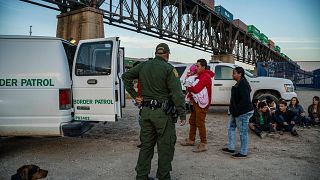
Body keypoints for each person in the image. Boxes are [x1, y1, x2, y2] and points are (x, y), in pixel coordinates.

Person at [122, 43, 187, 180]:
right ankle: (163, 176)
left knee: (146, 146)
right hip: (162, 115)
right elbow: (177, 94)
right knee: (165, 147)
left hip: (145, 112)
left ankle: (141, 176)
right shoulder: (169, 68)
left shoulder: (144, 65)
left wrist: (135, 95)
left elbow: (126, 76)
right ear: (167, 55)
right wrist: (182, 113)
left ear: (156, 53)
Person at [180, 59, 215, 153]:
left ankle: (203, 143)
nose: (196, 68)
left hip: (202, 104)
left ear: (203, 67)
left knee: (200, 122)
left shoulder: (205, 76)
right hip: (197, 102)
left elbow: (196, 89)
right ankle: (191, 140)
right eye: (196, 66)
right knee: (193, 121)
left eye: (198, 66)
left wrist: (188, 86)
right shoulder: (200, 75)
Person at [222, 66, 254, 159]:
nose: (232, 75)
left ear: (240, 74)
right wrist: (232, 111)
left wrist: (237, 112)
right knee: (231, 128)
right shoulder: (239, 83)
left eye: (234, 73)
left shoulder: (243, 84)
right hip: (235, 112)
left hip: (242, 112)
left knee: (243, 132)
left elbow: (245, 101)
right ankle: (231, 147)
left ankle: (243, 152)